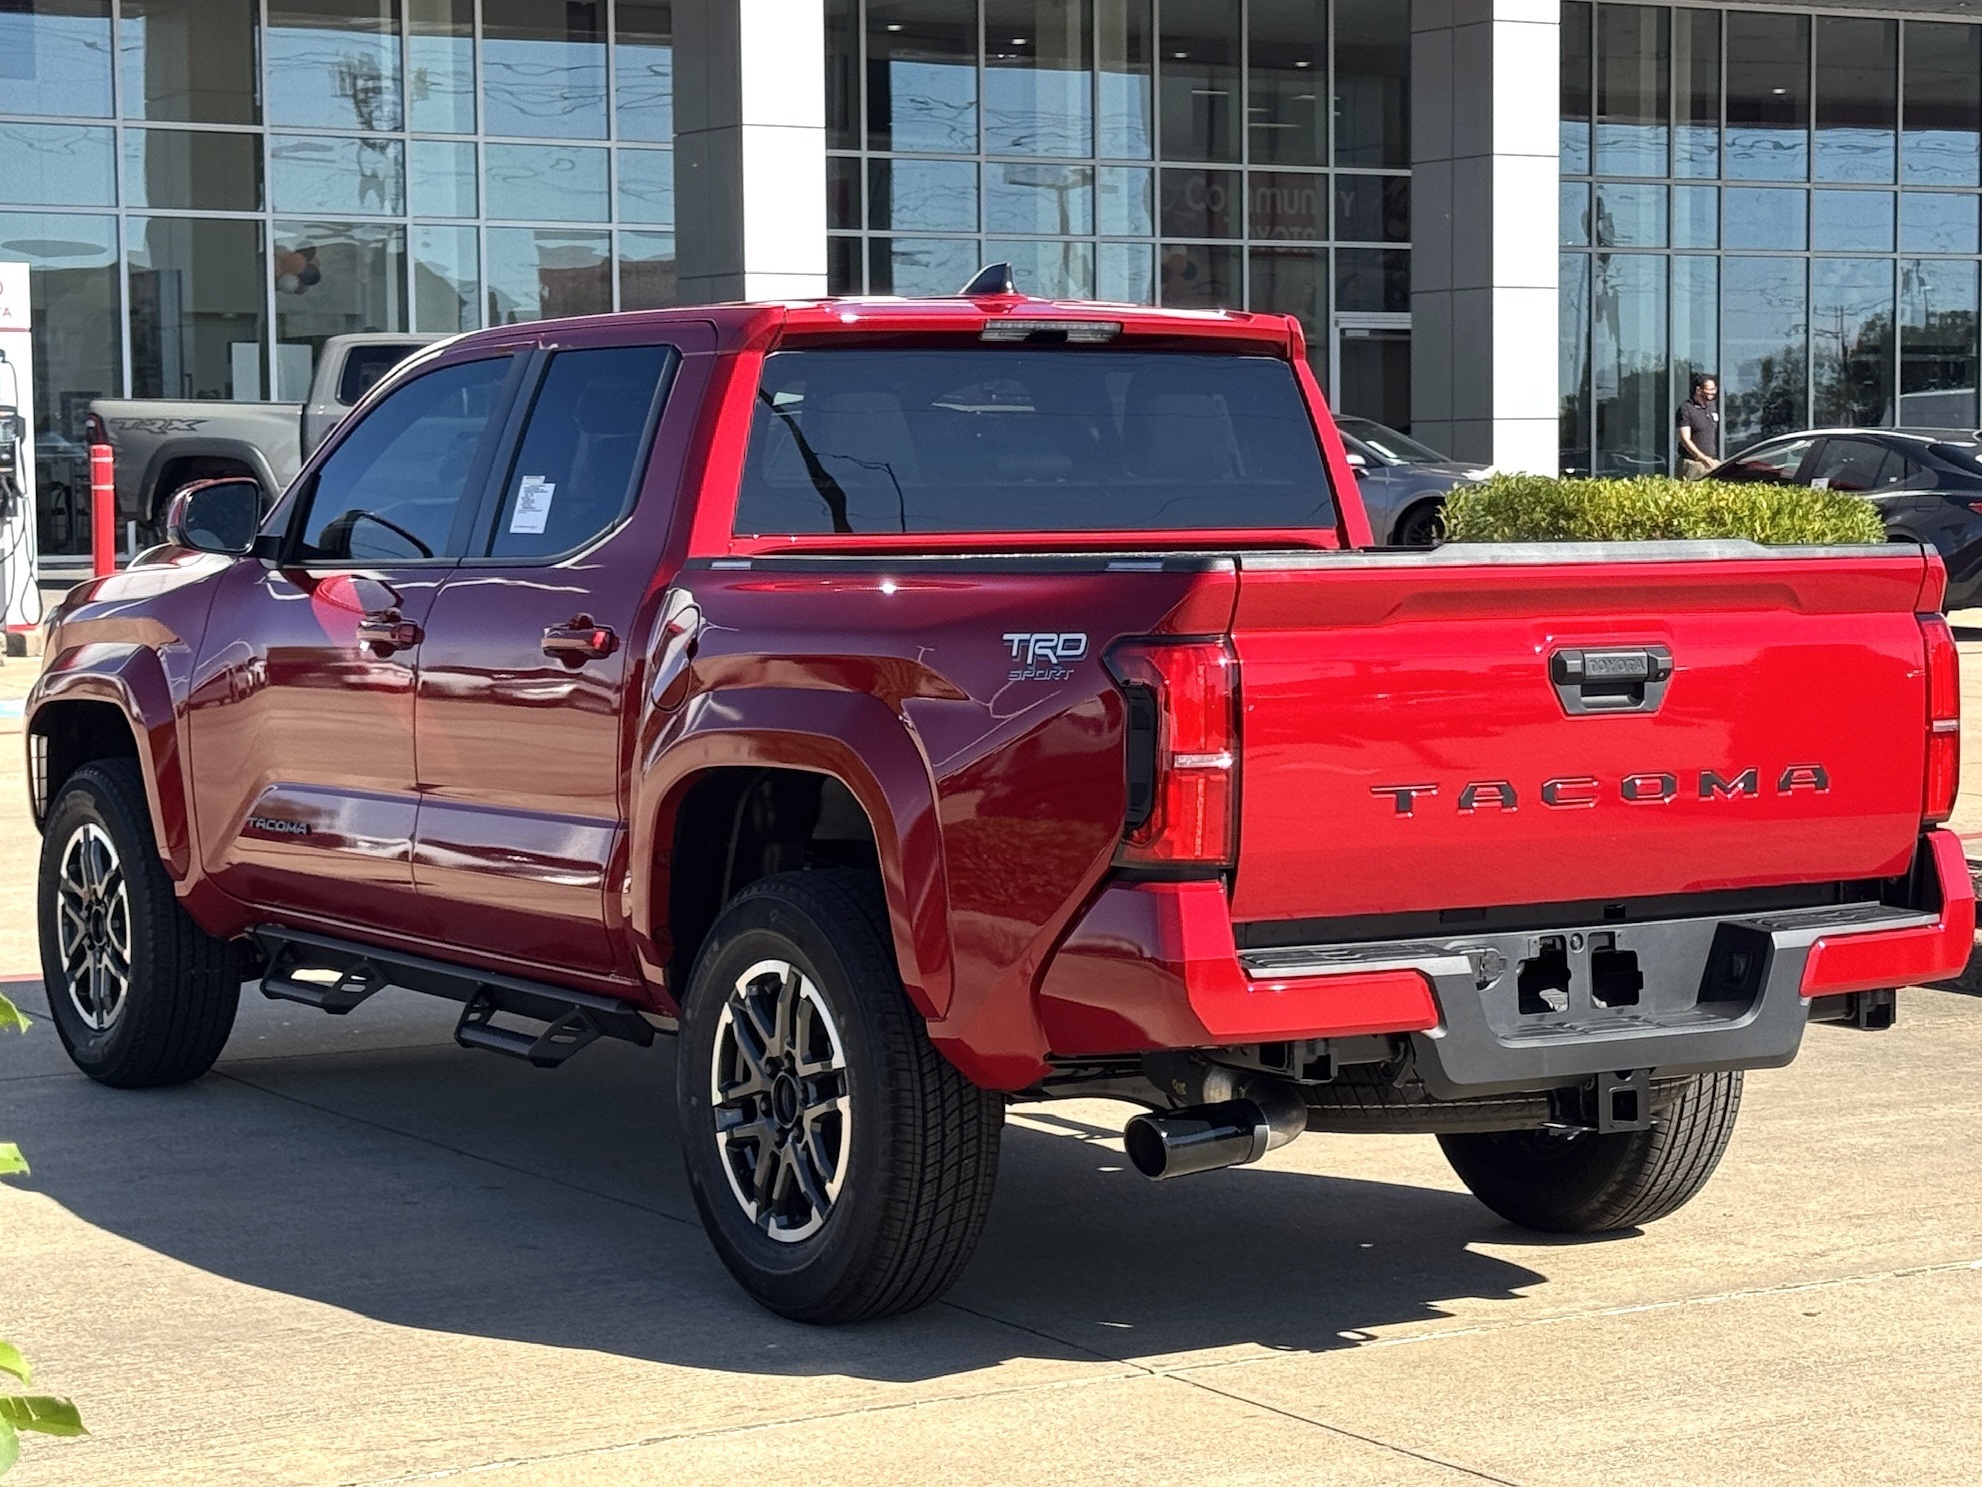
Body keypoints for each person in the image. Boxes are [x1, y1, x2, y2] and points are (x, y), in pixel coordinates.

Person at [1675, 373, 1721, 479]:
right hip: (1692, 464)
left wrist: (1710, 460)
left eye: (1714, 389)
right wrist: (1702, 458)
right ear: (1698, 390)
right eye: (1709, 390)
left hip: (1711, 463)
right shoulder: (1686, 409)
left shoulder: (1712, 406)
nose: (1713, 392)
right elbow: (1685, 439)